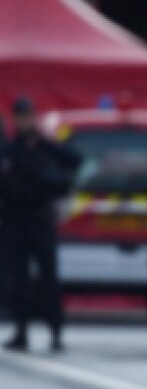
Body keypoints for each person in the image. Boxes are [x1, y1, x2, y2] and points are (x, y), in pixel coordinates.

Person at [2, 97, 81, 352]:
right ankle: (21, 331)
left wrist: (45, 143)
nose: (24, 120)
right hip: (14, 220)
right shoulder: (10, 149)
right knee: (17, 279)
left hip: (41, 218)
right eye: (20, 116)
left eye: (28, 115)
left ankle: (55, 332)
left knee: (49, 279)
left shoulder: (46, 146)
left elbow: (74, 160)